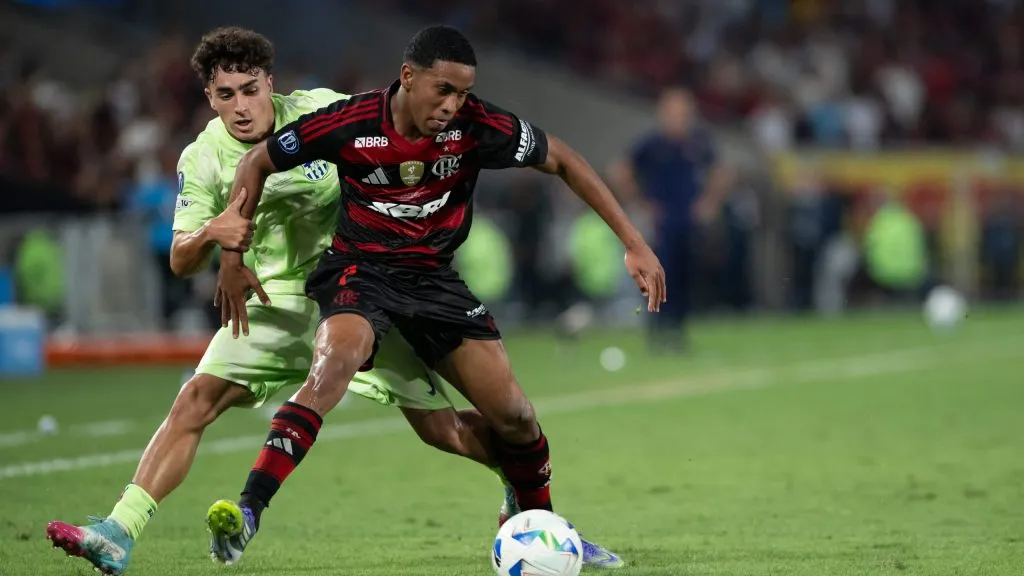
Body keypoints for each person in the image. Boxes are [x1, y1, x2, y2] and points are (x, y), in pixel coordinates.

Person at [43, 26, 522, 576]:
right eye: (226, 95)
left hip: (360, 293)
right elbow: (180, 257)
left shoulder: (319, 111)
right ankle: (118, 531)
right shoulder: (203, 157)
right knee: (195, 400)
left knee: (442, 430)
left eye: (250, 89)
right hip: (270, 301)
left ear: (271, 82)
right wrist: (212, 238)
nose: (242, 107)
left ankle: (517, 477)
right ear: (209, 97)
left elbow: (393, 125)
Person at [210, 24, 665, 569]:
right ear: (408, 77)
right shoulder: (351, 123)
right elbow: (256, 161)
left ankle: (539, 528)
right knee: (332, 368)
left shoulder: (476, 126)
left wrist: (634, 243)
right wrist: (232, 259)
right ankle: (250, 511)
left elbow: (562, 158)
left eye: (463, 93)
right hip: (361, 273)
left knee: (516, 418)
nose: (454, 104)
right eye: (443, 90)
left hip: (435, 283)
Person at [612, 87, 732, 352]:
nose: (680, 118)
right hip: (661, 223)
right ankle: (657, 331)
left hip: (687, 221)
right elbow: (621, 170)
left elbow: (721, 171)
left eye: (684, 112)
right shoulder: (652, 144)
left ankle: (678, 330)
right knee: (658, 274)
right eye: (675, 112)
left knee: (685, 276)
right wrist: (640, 204)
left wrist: (709, 202)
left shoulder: (698, 142)